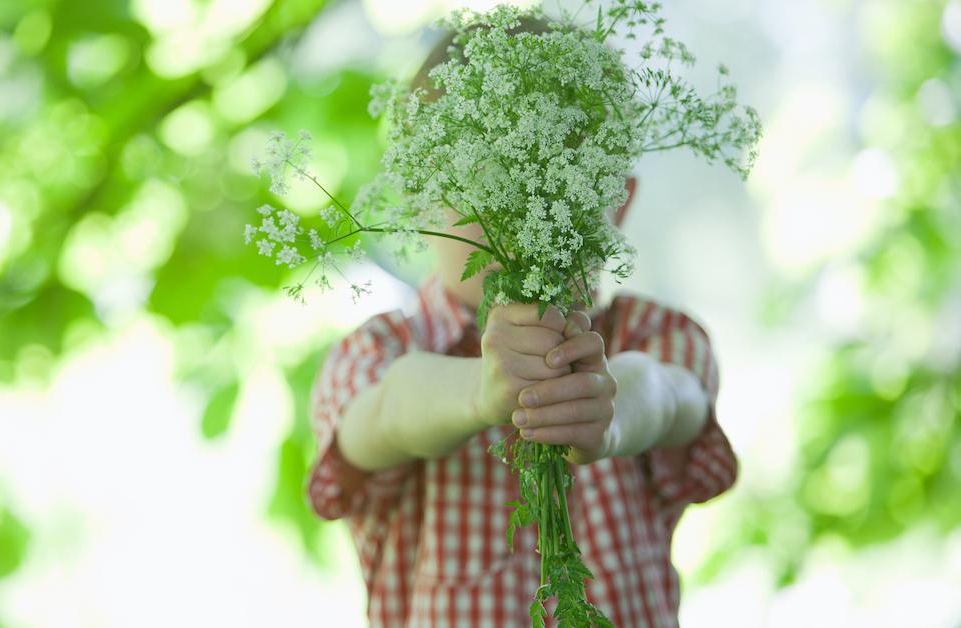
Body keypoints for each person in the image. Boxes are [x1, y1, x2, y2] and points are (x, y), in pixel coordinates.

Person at [304, 20, 738, 628]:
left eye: (555, 190)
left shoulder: (648, 334)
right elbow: (385, 411)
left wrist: (610, 415)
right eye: (487, 189)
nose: (515, 225)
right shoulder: (380, 351)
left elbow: (670, 395)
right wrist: (480, 392)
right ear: (421, 196)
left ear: (618, 201)